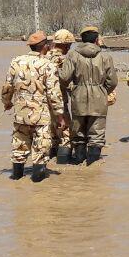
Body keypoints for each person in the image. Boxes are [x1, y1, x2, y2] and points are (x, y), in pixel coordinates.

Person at [2, 30, 64, 182]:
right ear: (45, 47)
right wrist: (60, 116)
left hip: (20, 114)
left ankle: (16, 180)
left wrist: (7, 103)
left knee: (19, 149)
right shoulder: (48, 65)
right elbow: (54, 94)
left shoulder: (15, 62)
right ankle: (37, 186)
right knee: (41, 151)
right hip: (40, 117)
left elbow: (7, 87)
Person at [58, 25, 118, 164]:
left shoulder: (73, 55)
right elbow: (113, 81)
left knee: (78, 134)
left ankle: (79, 162)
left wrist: (73, 89)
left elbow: (65, 77)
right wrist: (103, 92)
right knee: (96, 135)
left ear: (82, 40)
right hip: (99, 99)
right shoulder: (105, 56)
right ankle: (92, 168)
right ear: (97, 40)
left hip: (78, 98)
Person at [47, 28, 75, 162]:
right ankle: (63, 163)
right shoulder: (64, 59)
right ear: (66, 44)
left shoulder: (43, 56)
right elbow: (67, 81)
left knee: (51, 132)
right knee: (65, 133)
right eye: (69, 45)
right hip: (59, 101)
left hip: (43, 103)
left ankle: (50, 156)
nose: (70, 47)